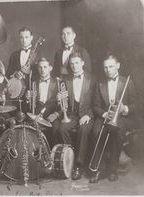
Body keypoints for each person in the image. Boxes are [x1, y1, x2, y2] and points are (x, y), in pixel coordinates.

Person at [89, 54, 136, 183]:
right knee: (96, 132)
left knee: (115, 132)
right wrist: (105, 114)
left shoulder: (127, 82)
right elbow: (96, 106)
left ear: (118, 66)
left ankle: (112, 169)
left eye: (111, 66)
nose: (108, 70)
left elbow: (136, 105)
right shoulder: (100, 84)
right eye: (105, 67)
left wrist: (124, 108)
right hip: (105, 116)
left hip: (121, 118)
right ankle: (97, 169)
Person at [56, 52, 95, 180]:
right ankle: (70, 157)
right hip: (72, 115)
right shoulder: (65, 80)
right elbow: (63, 102)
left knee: (83, 130)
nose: (74, 66)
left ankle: (78, 164)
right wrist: (60, 101)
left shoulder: (92, 79)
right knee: (62, 128)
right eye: (72, 64)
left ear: (82, 63)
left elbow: (97, 102)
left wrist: (88, 115)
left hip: (87, 114)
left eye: (77, 63)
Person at [25, 57, 60, 148]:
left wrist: (56, 114)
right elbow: (30, 105)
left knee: (56, 129)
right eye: (40, 67)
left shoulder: (58, 82)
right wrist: (28, 98)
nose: (42, 70)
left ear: (50, 68)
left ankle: (51, 153)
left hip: (52, 115)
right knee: (28, 126)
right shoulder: (33, 83)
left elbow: (64, 103)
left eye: (45, 67)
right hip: (37, 113)